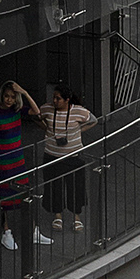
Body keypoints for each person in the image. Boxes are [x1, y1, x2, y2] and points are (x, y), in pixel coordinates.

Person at [0, 80, 51, 253]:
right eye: (7, 96)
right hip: (3, 161)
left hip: (18, 160)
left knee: (23, 193)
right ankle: (6, 231)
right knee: (4, 197)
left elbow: (37, 112)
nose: (8, 100)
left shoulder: (17, 111)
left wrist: (24, 92)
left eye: (12, 97)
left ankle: (33, 230)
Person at [40, 85, 97, 231]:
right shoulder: (47, 109)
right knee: (54, 186)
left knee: (76, 186)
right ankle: (57, 216)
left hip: (72, 155)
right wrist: (47, 129)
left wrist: (79, 130)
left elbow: (93, 120)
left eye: (58, 98)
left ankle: (76, 217)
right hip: (52, 155)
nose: (54, 101)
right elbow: (37, 115)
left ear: (67, 100)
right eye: (54, 98)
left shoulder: (77, 111)